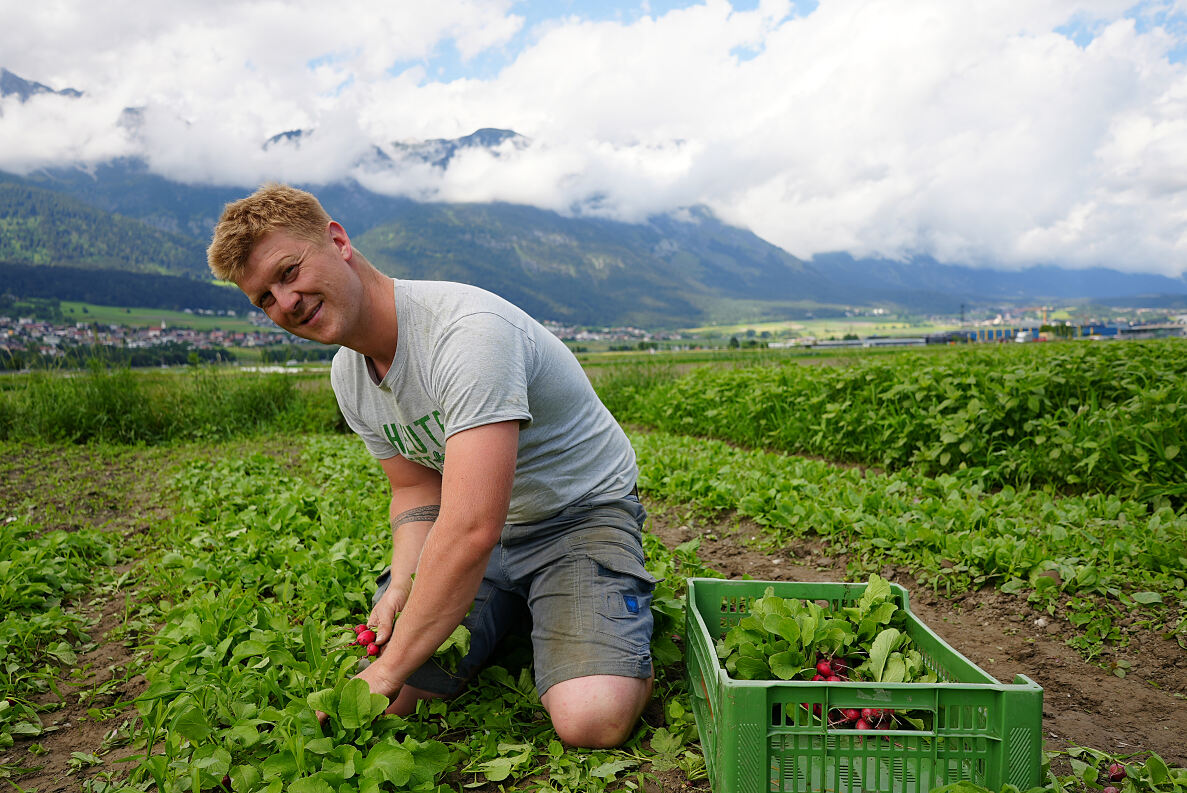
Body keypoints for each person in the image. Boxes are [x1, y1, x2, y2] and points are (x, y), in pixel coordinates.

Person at [207, 184, 656, 748]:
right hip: (485, 535)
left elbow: (469, 527)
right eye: (265, 299)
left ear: (337, 241)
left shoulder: (466, 334)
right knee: (399, 705)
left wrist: (386, 672)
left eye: (289, 271)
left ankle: (592, 627)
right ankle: (522, 610)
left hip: (576, 518)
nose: (286, 302)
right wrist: (403, 581)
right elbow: (416, 487)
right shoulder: (348, 374)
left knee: (589, 718)